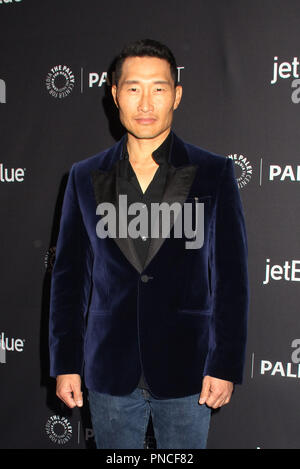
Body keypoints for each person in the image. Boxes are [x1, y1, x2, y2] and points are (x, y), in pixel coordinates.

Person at [49, 38, 249, 449]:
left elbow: (231, 279)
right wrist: (66, 362)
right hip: (108, 371)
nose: (145, 103)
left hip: (189, 373)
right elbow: (69, 280)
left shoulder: (214, 173)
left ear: (176, 95)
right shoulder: (83, 177)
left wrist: (225, 361)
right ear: (114, 94)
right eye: (133, 88)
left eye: (157, 89)